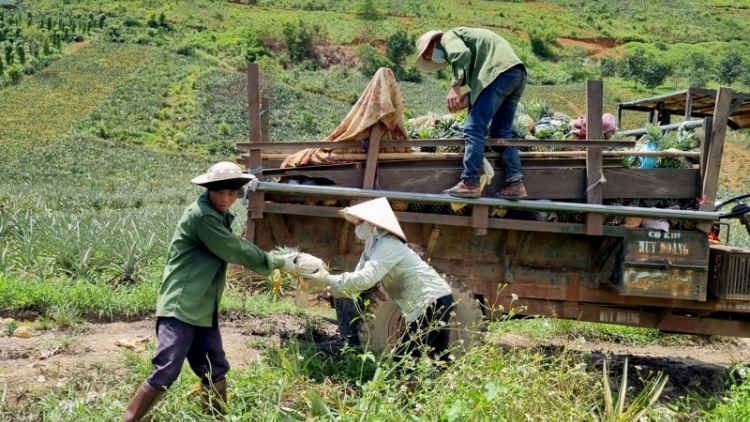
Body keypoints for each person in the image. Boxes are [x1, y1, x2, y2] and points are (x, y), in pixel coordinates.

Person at [122, 161, 297, 422]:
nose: (227, 198)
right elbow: (233, 248)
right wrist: (279, 261)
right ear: (208, 189)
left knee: (214, 367)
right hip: (181, 305)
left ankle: (215, 418)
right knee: (167, 368)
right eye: (221, 192)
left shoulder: (217, 215)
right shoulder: (202, 216)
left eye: (233, 193)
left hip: (203, 307)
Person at [302, 197, 456, 362]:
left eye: (360, 221)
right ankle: (448, 385)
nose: (357, 224)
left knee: (403, 359)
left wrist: (329, 280)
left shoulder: (388, 243)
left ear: (373, 222)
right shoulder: (372, 245)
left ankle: (405, 386)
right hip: (432, 301)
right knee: (439, 356)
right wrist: (334, 289)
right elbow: (358, 280)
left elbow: (366, 279)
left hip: (432, 301)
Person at [415, 27, 528, 200]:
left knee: (473, 128)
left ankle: (470, 182)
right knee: (502, 133)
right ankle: (515, 184)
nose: (430, 58)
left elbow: (461, 54)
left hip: (499, 73)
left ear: (434, 43)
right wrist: (468, 97)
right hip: (515, 74)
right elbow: (484, 83)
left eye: (428, 54)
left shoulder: (448, 37)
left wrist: (455, 88)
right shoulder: (469, 41)